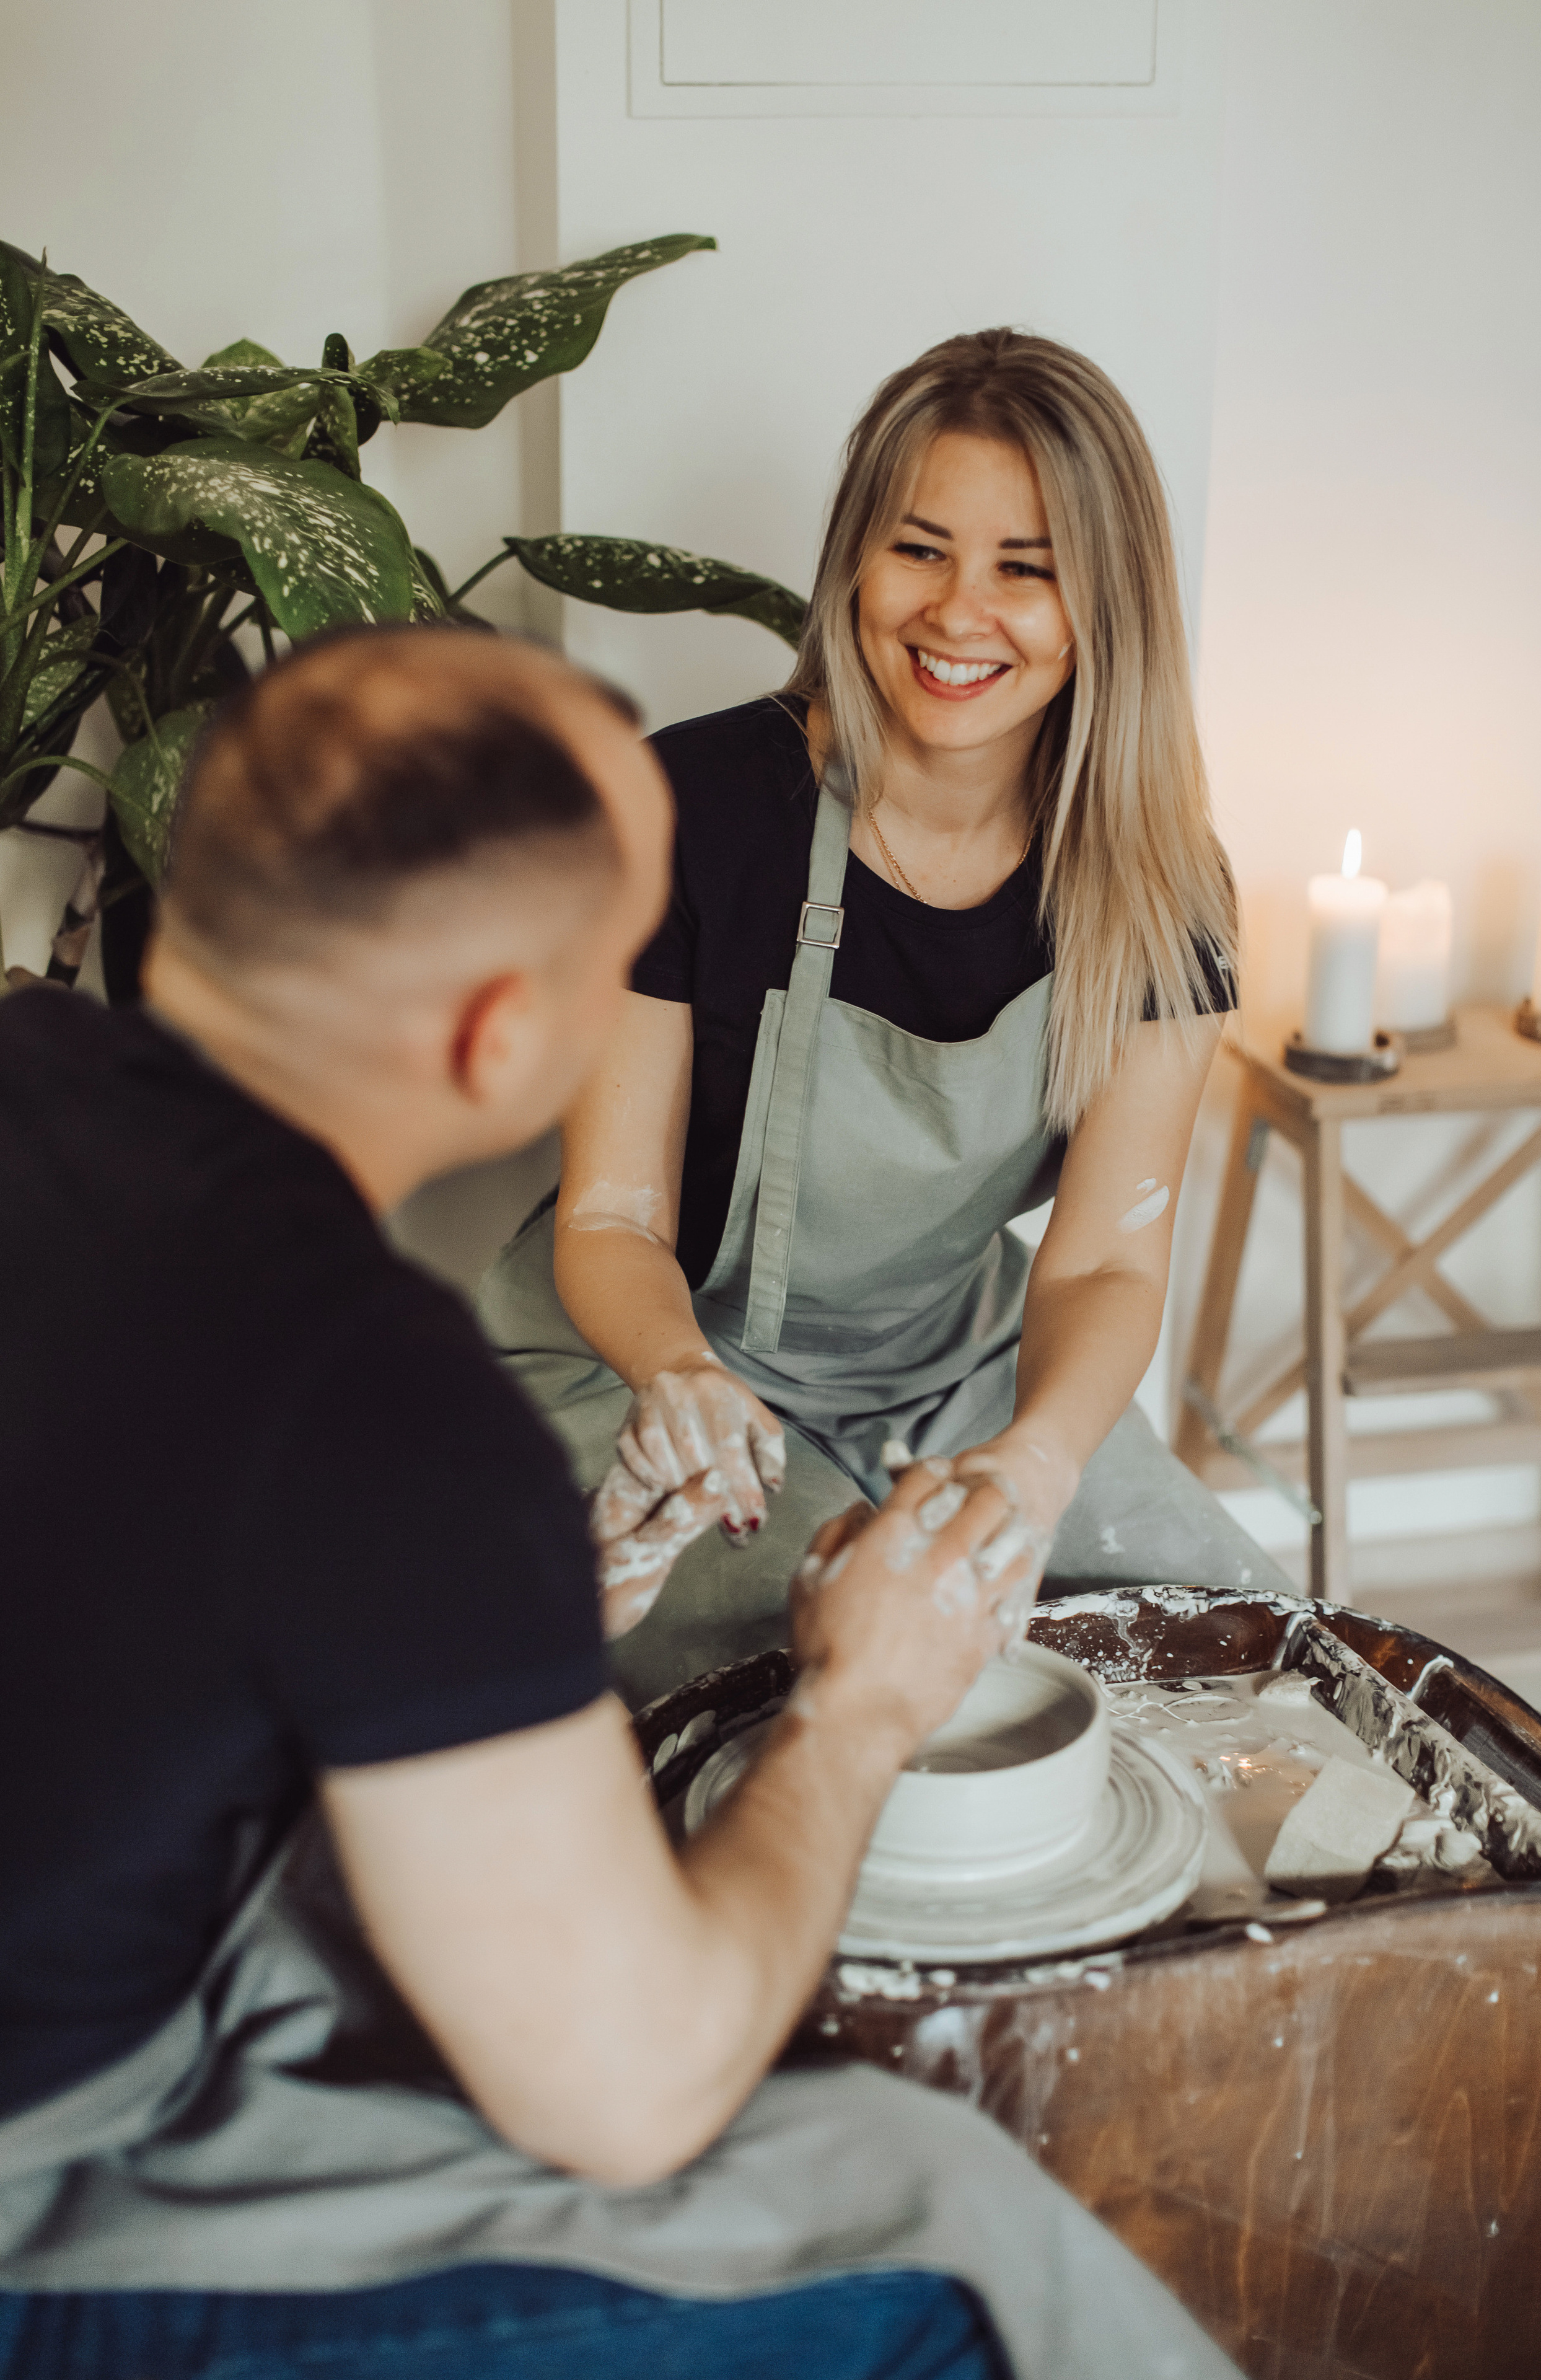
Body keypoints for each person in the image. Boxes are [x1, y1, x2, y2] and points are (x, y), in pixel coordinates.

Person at [0, 628, 1240, 2380]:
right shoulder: (388, 1411)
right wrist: (863, 1709)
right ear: (514, 1038)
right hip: (45, 2194)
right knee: (941, 2204)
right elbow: (638, 2091)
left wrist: (462, 1631)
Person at [480, 328, 1291, 1709]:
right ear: (854, 558)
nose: (957, 613)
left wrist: (1034, 1460)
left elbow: (1100, 1264)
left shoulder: (1159, 884)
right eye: (919, 550)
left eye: (1023, 569)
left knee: (1231, 1660)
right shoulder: (690, 810)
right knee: (819, 1691)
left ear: (1106, 604)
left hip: (956, 1366)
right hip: (655, 1355)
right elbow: (610, 1221)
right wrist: (680, 1379)